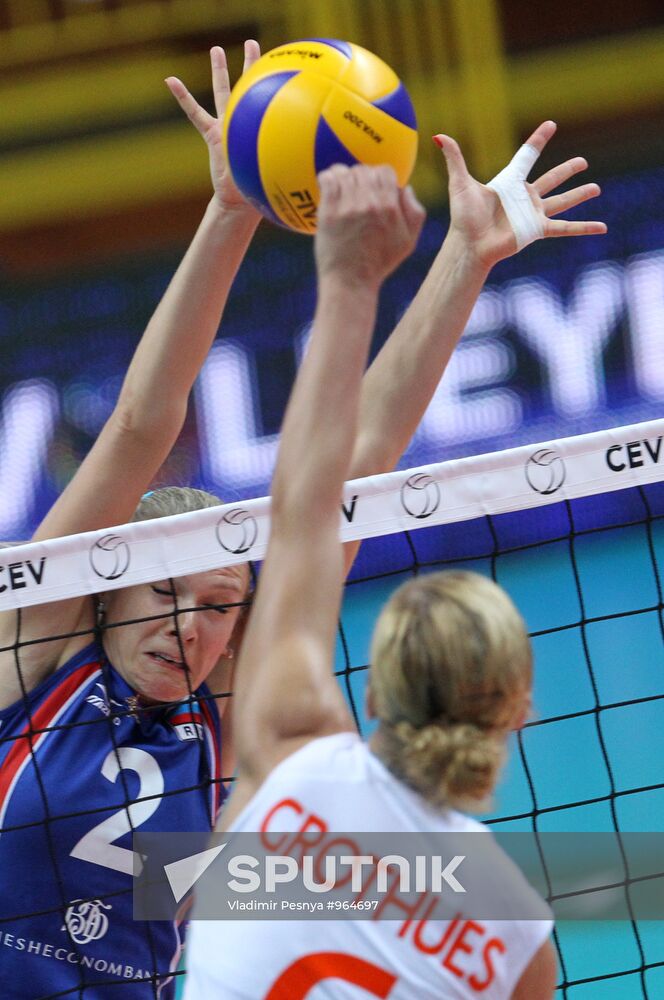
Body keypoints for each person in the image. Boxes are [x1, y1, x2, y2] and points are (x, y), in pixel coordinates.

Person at [0, 38, 604, 999]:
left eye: (219, 606)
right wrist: (231, 208)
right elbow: (143, 424)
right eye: (165, 593)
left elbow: (351, 472)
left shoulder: (225, 719)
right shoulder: (33, 655)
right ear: (105, 592)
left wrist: (467, 256)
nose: (190, 627)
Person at [183, 165, 559, 999]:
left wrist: (350, 278)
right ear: (517, 710)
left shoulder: (288, 744)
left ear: (375, 692)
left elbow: (311, 504)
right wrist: (464, 257)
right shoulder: (519, 940)